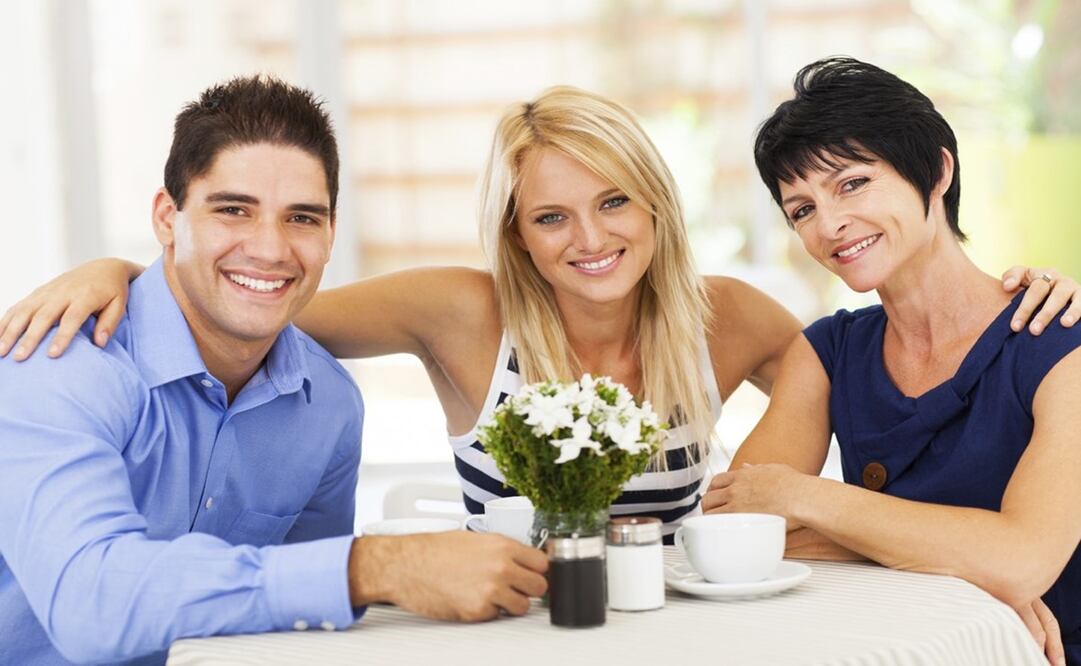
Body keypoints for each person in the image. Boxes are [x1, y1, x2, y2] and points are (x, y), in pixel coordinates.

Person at [2, 85, 1078, 544]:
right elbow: (252, 297)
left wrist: (1034, 288)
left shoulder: (737, 320)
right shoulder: (461, 312)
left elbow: (828, 451)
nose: (588, 239)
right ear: (516, 233)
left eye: (614, 202)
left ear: (655, 205)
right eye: (549, 216)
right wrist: (124, 268)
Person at [0, 76, 546, 665]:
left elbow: (304, 629)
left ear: (331, 233)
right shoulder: (57, 364)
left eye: (302, 218)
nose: (269, 249)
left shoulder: (329, 405)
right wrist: (376, 565)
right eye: (233, 210)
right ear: (167, 217)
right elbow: (89, 604)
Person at [702, 57, 1081, 666]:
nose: (829, 224)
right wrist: (965, 561)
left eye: (852, 183)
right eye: (801, 209)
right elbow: (730, 524)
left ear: (935, 171)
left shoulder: (1059, 341)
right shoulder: (828, 351)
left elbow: (1023, 561)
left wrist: (802, 497)